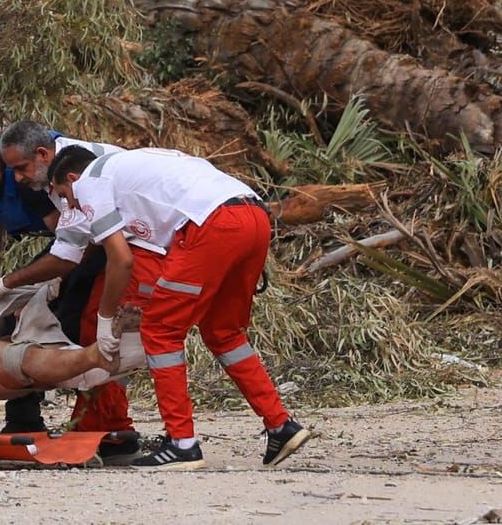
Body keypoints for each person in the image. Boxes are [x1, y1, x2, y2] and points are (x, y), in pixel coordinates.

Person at [46, 143, 311, 471]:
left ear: (72, 178)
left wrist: (104, 319)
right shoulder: (132, 168)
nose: (69, 204)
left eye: (63, 194)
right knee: (224, 332)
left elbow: (121, 259)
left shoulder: (89, 181)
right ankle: (280, 425)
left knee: (160, 330)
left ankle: (182, 444)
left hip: (213, 223)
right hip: (253, 214)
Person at [0, 111, 129, 442]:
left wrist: (48, 287)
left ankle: (99, 419)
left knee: (67, 321)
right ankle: (23, 417)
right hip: (68, 245)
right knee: (7, 323)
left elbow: (74, 244)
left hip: (91, 244)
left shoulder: (27, 180)